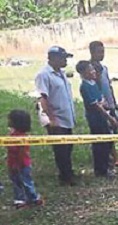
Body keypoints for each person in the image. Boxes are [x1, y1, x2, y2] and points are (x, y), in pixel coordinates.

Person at [35, 46, 76, 186]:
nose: (65, 60)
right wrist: (52, 118)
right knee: (61, 149)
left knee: (68, 146)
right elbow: (43, 98)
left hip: (66, 117)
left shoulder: (61, 73)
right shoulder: (44, 74)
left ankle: (68, 172)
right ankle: (65, 177)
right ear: (53, 58)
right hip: (56, 118)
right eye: (63, 57)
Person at [77, 60, 118, 178]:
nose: (93, 72)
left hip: (102, 116)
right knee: (99, 144)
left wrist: (104, 105)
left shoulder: (94, 83)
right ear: (83, 72)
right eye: (90, 70)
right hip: (95, 118)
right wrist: (110, 118)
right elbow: (96, 105)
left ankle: (107, 166)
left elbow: (102, 100)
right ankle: (100, 169)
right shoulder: (85, 86)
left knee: (106, 142)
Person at [89, 40, 118, 169]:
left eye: (103, 51)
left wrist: (113, 102)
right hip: (101, 105)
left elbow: (108, 85)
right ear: (92, 52)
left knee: (113, 130)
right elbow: (94, 87)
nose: (102, 54)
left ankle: (113, 156)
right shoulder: (91, 69)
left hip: (110, 103)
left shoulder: (104, 68)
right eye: (99, 52)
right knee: (105, 131)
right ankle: (111, 158)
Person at [6, 110, 44, 209]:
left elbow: (22, 153)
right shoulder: (13, 135)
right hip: (13, 163)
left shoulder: (21, 138)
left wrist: (18, 164)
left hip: (21, 164)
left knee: (25, 181)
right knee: (16, 181)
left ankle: (33, 198)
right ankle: (20, 199)